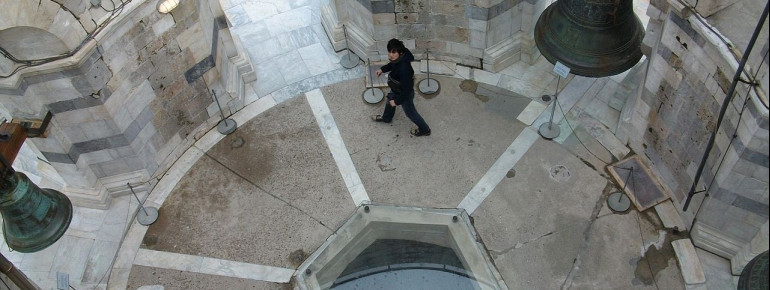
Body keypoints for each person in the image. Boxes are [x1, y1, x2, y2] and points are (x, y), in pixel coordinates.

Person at [372, 39, 431, 137]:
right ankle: (387, 118)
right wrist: (382, 69)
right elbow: (392, 65)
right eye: (390, 51)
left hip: (403, 94)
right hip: (396, 88)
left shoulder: (404, 70)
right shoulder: (399, 58)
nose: (390, 54)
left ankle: (425, 129)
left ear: (400, 52)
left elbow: (406, 91)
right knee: (389, 101)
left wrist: (397, 102)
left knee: (410, 113)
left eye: (393, 52)